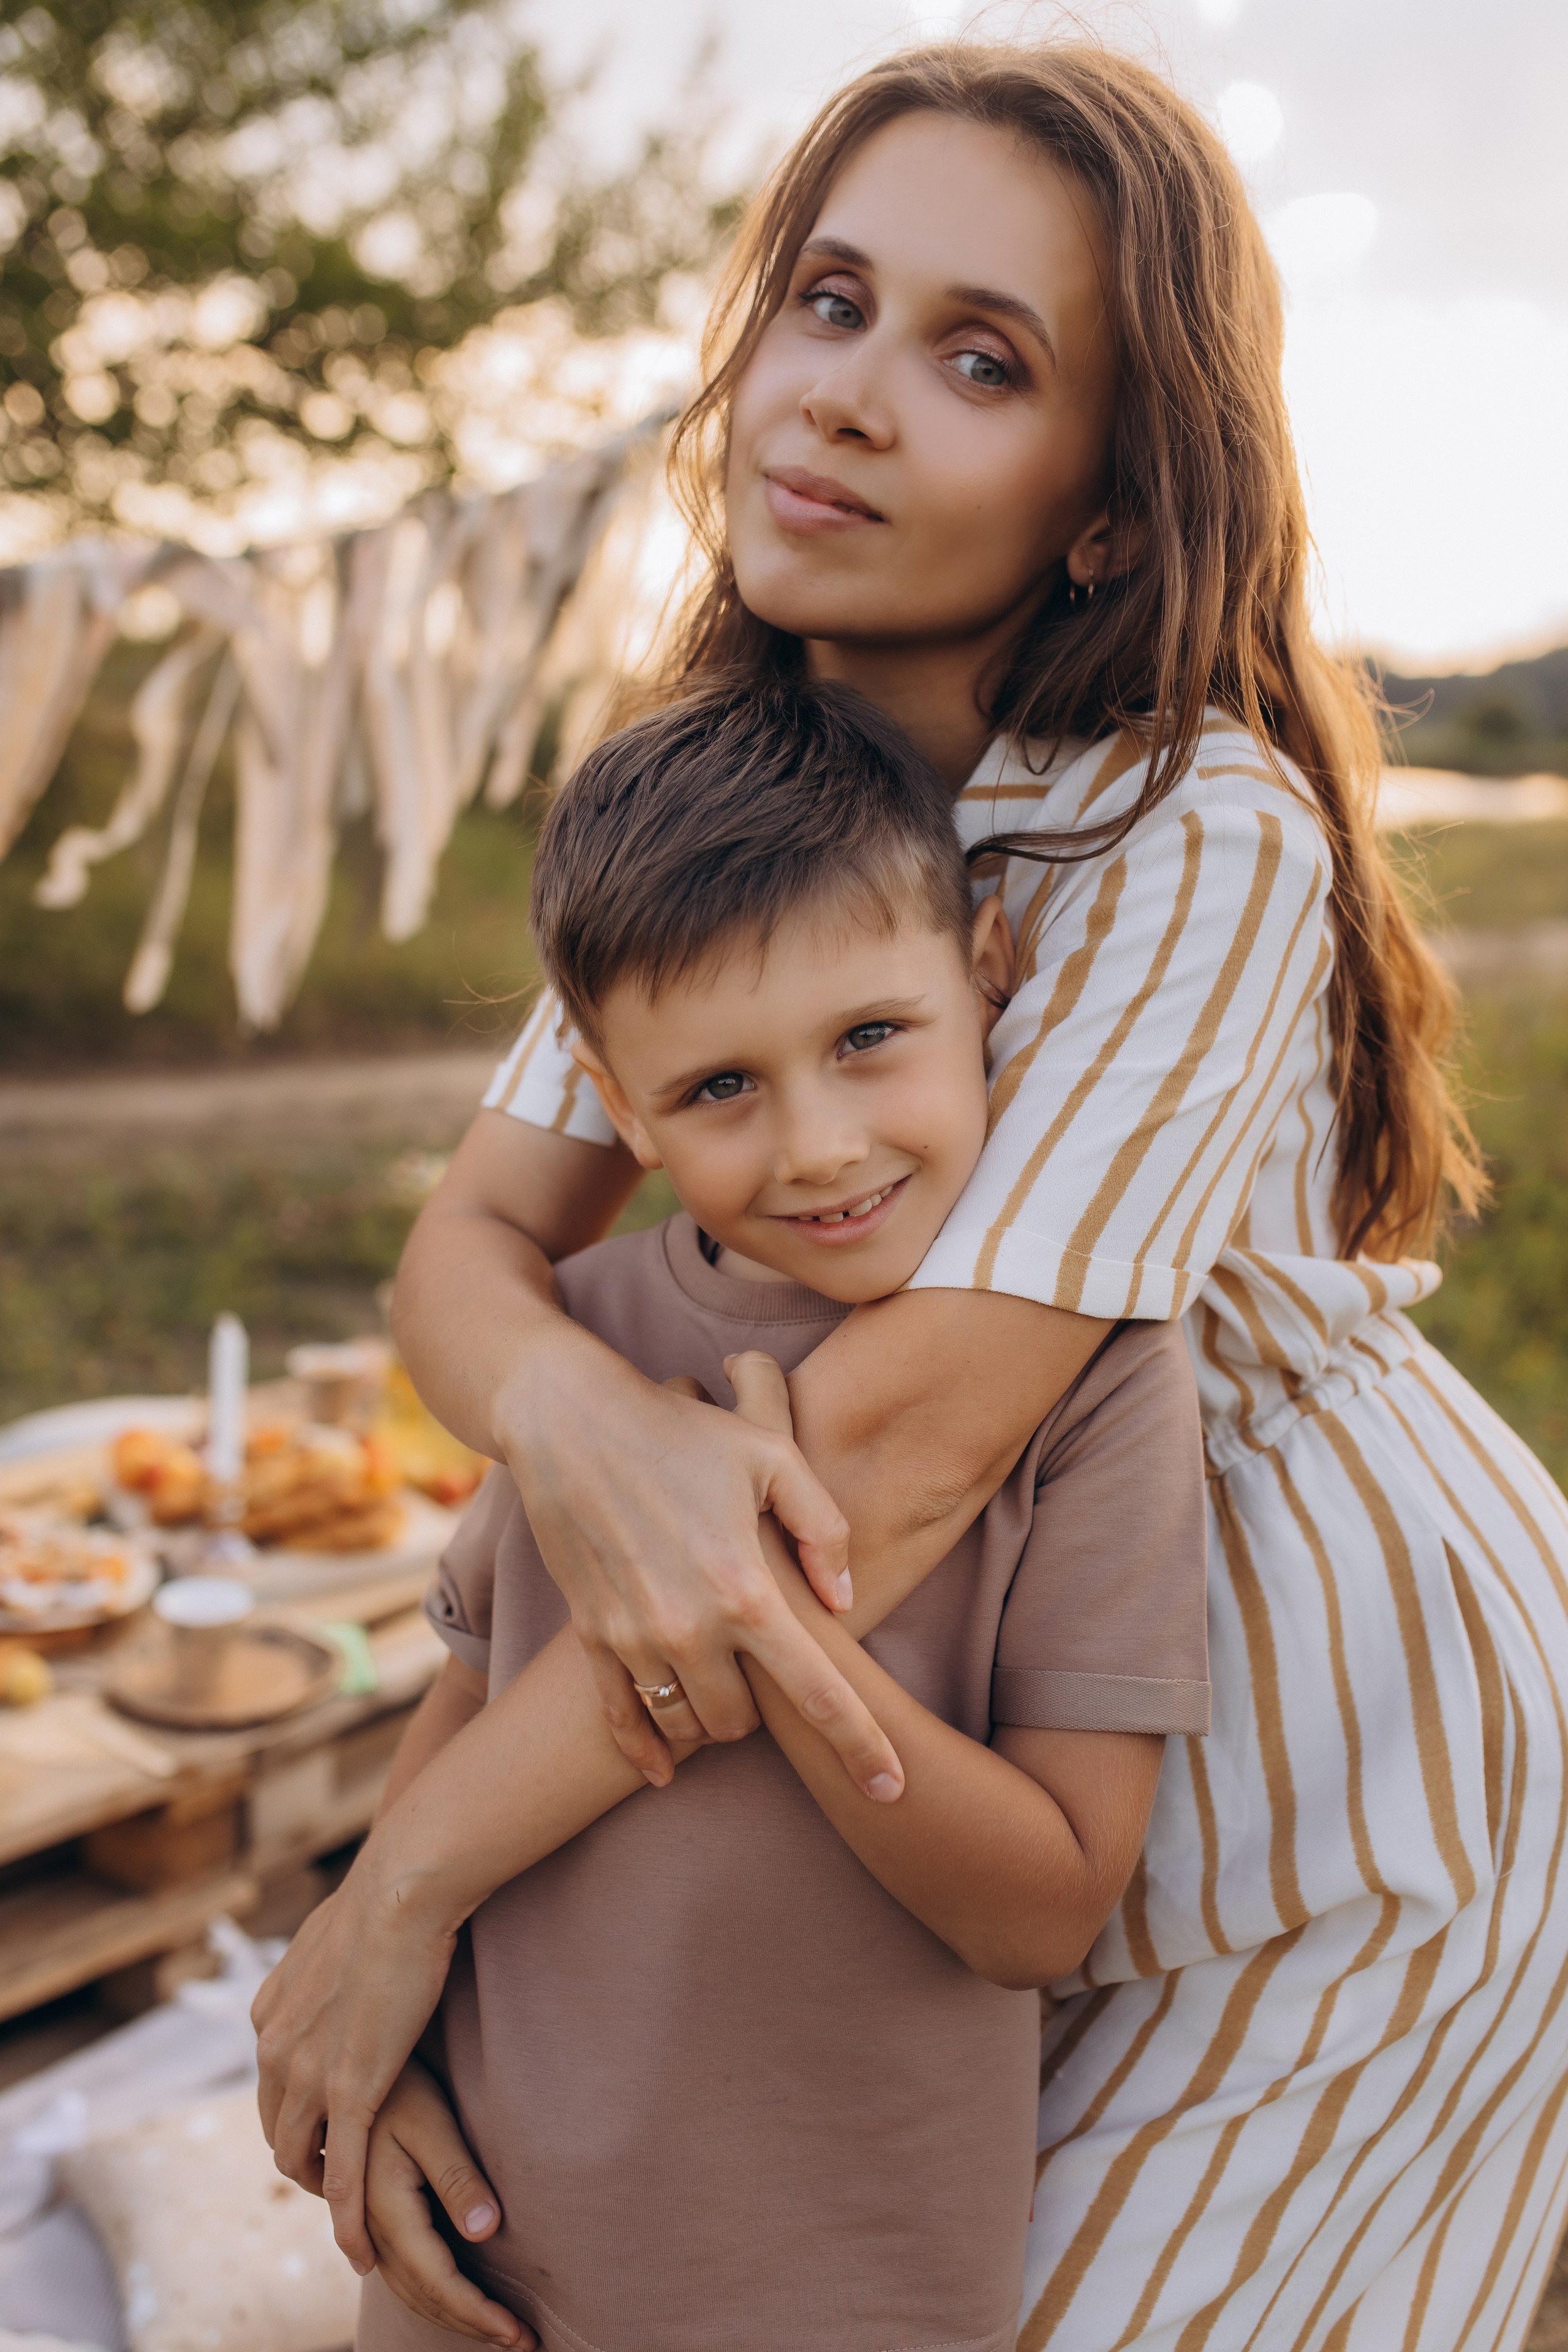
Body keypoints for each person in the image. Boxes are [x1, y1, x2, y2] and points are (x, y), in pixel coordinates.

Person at [254, 39, 1568, 2352]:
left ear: (1110, 508)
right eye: (830, 302)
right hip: (929, 1714)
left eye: (981, 358)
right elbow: (469, 1265)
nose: (849, 395)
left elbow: (903, 1453)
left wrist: (399, 1896)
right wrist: (588, 1430)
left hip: (1327, 1756)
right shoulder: (736, 825)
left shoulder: (1191, 820)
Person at [346, 677, 1209, 2350]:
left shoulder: (1092, 1382)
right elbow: (467, 1697)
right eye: (720, 1090)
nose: (820, 1148)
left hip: (837, 2280)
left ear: (988, 969)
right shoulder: (581, 1343)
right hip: (468, 2251)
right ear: (614, 1096)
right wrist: (376, 2035)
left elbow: (1042, 1907)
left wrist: (769, 1622)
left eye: (869, 1039)